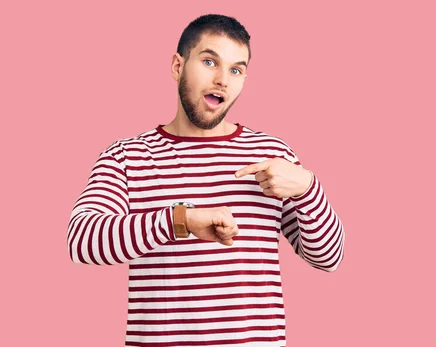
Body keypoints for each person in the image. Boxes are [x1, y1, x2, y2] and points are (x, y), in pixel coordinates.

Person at [66, 13, 345, 346]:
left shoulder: (271, 154)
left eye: (236, 69)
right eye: (210, 61)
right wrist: (179, 220)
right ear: (177, 66)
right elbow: (82, 241)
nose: (223, 80)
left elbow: (328, 258)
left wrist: (308, 189)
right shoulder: (128, 156)